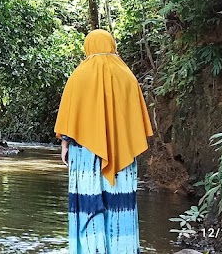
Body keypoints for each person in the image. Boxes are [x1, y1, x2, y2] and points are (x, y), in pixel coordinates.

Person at [54, 29, 153, 254]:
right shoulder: (127, 76)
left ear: (88, 46)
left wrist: (65, 144)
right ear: (112, 45)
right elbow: (135, 120)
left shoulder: (78, 75)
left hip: (85, 154)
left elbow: (70, 117)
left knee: (87, 201)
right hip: (122, 154)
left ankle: (90, 249)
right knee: (120, 204)